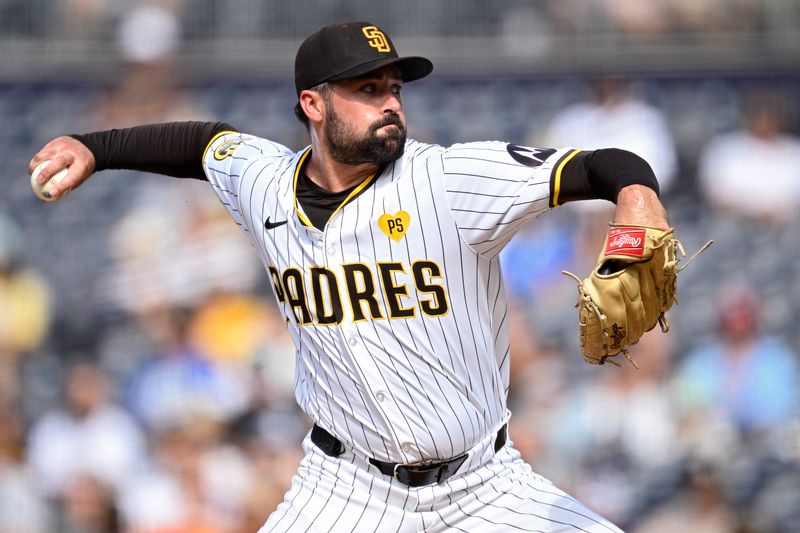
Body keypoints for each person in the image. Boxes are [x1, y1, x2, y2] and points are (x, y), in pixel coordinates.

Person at [29, 21, 671, 533]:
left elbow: (602, 164)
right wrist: (95, 148)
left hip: (486, 486)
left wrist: (637, 194)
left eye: (393, 88)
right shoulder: (264, 182)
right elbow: (200, 144)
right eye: (367, 90)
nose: (390, 104)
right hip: (344, 489)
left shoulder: (447, 180)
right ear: (313, 104)